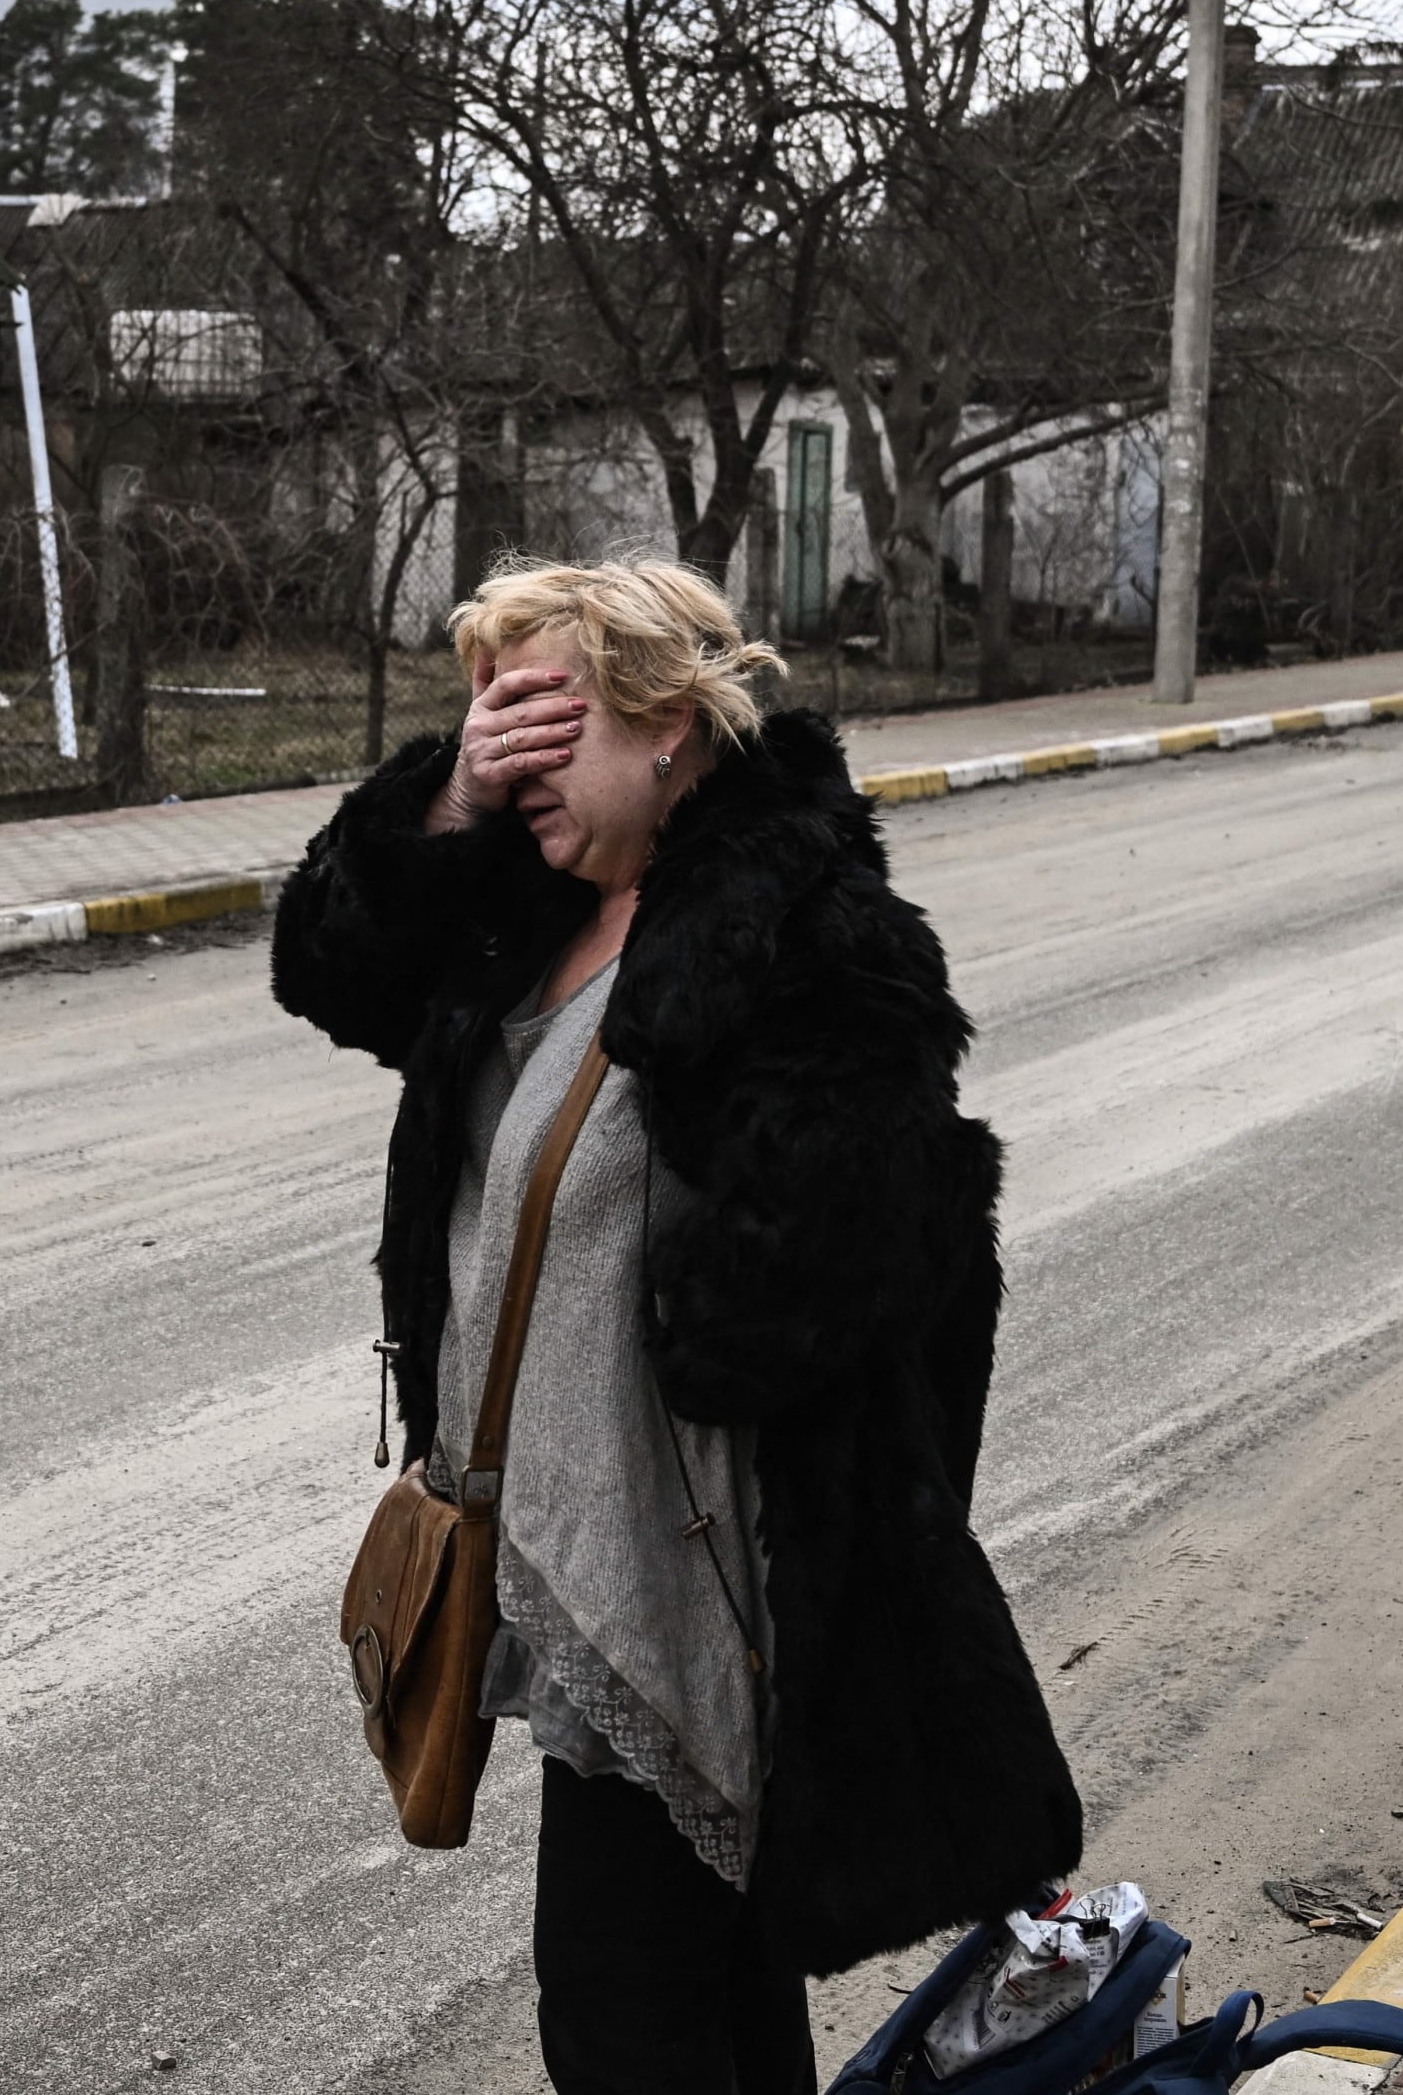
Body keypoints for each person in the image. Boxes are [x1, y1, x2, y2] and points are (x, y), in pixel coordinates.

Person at [272, 557, 1082, 2095]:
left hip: (698, 1589)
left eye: (537, 719)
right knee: (713, 2017)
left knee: (623, 2015)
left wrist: (704, 1301)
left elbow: (883, 1261)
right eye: (484, 721)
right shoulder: (533, 898)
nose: (508, 761)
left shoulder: (800, 932)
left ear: (664, 722)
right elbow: (331, 969)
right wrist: (446, 801)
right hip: (580, 1561)